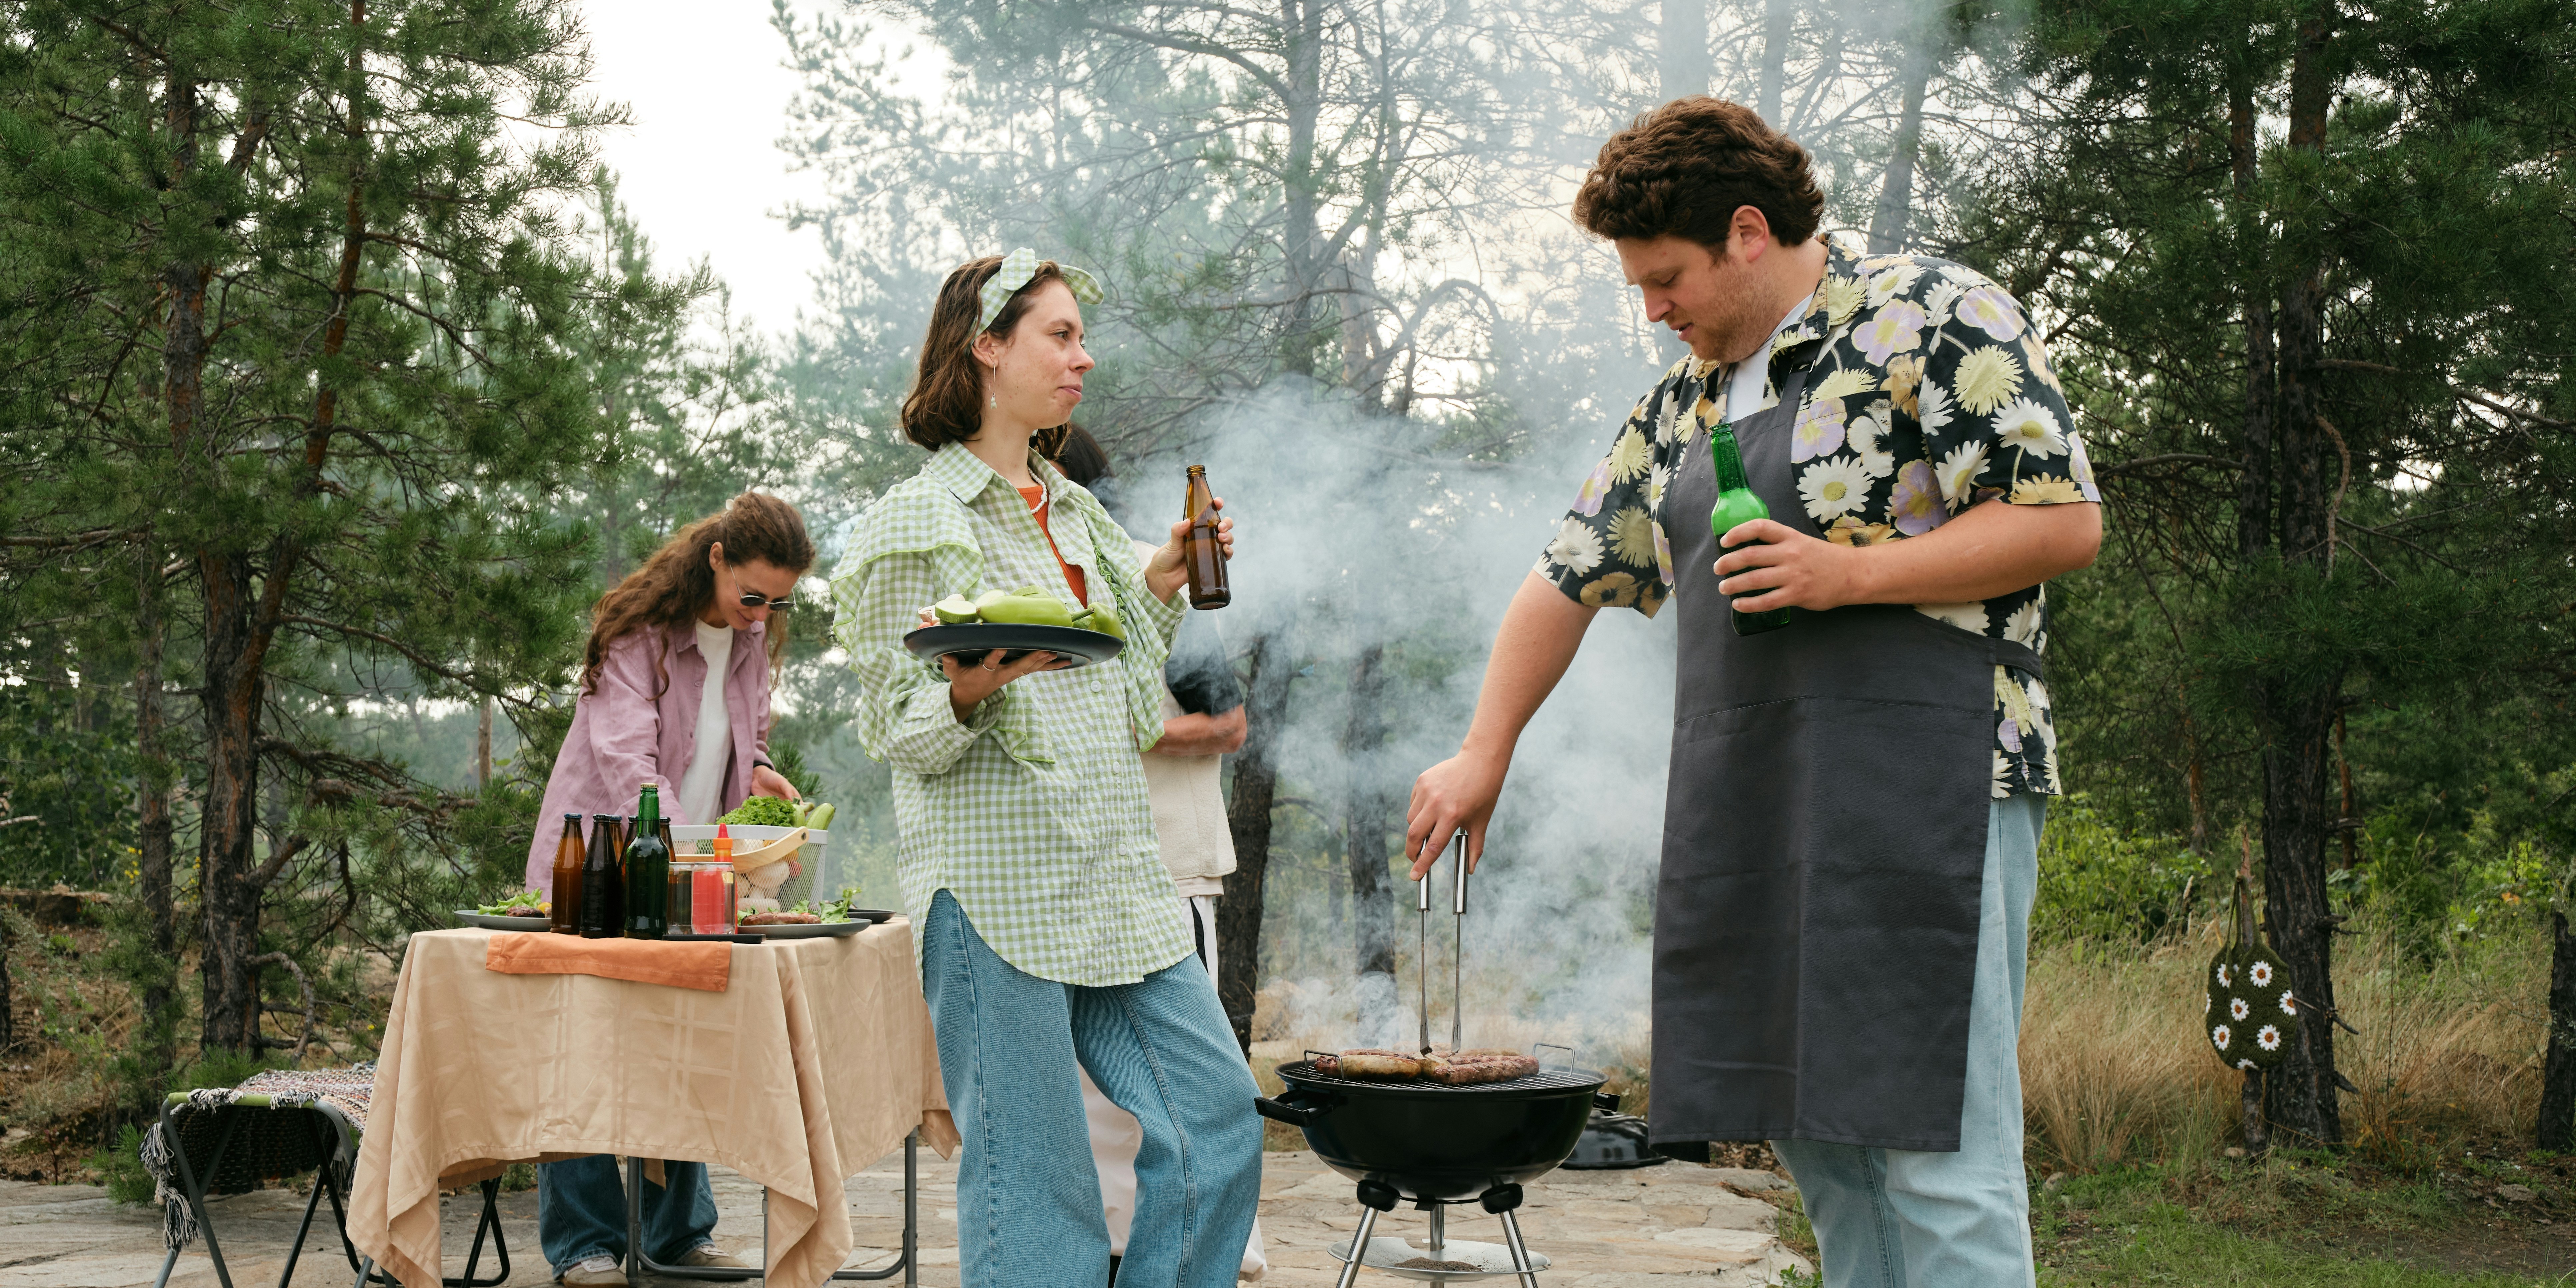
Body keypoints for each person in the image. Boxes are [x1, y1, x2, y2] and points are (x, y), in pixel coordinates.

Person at [1404, 98, 2103, 1288]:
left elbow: (2062, 521)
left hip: (1933, 782)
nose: (1652, 309)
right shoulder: (1681, 401)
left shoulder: (1930, 314)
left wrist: (1849, 574)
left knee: (1938, 1153)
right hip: (1759, 799)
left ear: (1743, 232)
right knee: (1817, 1138)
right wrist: (1484, 749)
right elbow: (1563, 576)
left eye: (1663, 278)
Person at [830, 251, 1262, 1288]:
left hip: (1115, 877)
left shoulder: (1072, 510)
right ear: (987, 347)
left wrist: (1159, 580)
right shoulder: (917, 522)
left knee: (1217, 1126)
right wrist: (972, 688)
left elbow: (1120, 686)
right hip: (994, 888)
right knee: (1037, 1187)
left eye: (1080, 336)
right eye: (1059, 336)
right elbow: (897, 728)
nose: (1084, 356)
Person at [524, 490, 817, 1287]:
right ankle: (584, 1244)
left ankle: (678, 1234)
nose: (762, 615)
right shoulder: (640, 636)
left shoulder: (751, 644)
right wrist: (693, 853)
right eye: (751, 595)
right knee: (586, 1044)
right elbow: (630, 769)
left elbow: (733, 740)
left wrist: (758, 775)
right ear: (716, 557)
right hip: (602, 863)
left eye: (778, 602)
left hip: (693, 863)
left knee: (685, 1035)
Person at [1046, 426, 1269, 1283]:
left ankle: (1210, 1259)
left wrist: (1128, 726)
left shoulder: (1150, 576)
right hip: (1072, 873)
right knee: (1092, 1099)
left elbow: (1228, 725)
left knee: (1177, 1099)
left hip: (1168, 869)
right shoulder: (1033, 590)